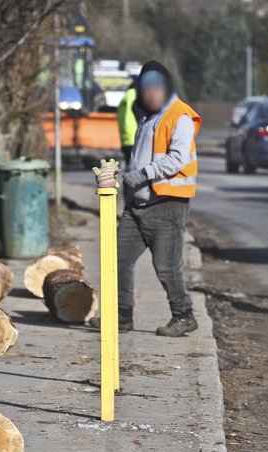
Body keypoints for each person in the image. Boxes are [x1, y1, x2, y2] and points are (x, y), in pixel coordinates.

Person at [94, 60, 201, 337]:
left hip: (167, 204)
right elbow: (140, 158)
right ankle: (121, 316)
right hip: (138, 205)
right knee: (116, 259)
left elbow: (177, 159)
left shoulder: (180, 116)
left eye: (157, 87)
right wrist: (122, 175)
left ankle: (184, 315)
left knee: (166, 267)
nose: (151, 93)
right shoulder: (147, 117)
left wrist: (142, 174)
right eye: (146, 88)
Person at [117, 78, 138, 165]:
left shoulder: (126, 96)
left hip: (125, 138)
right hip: (135, 137)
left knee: (129, 165)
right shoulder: (136, 96)